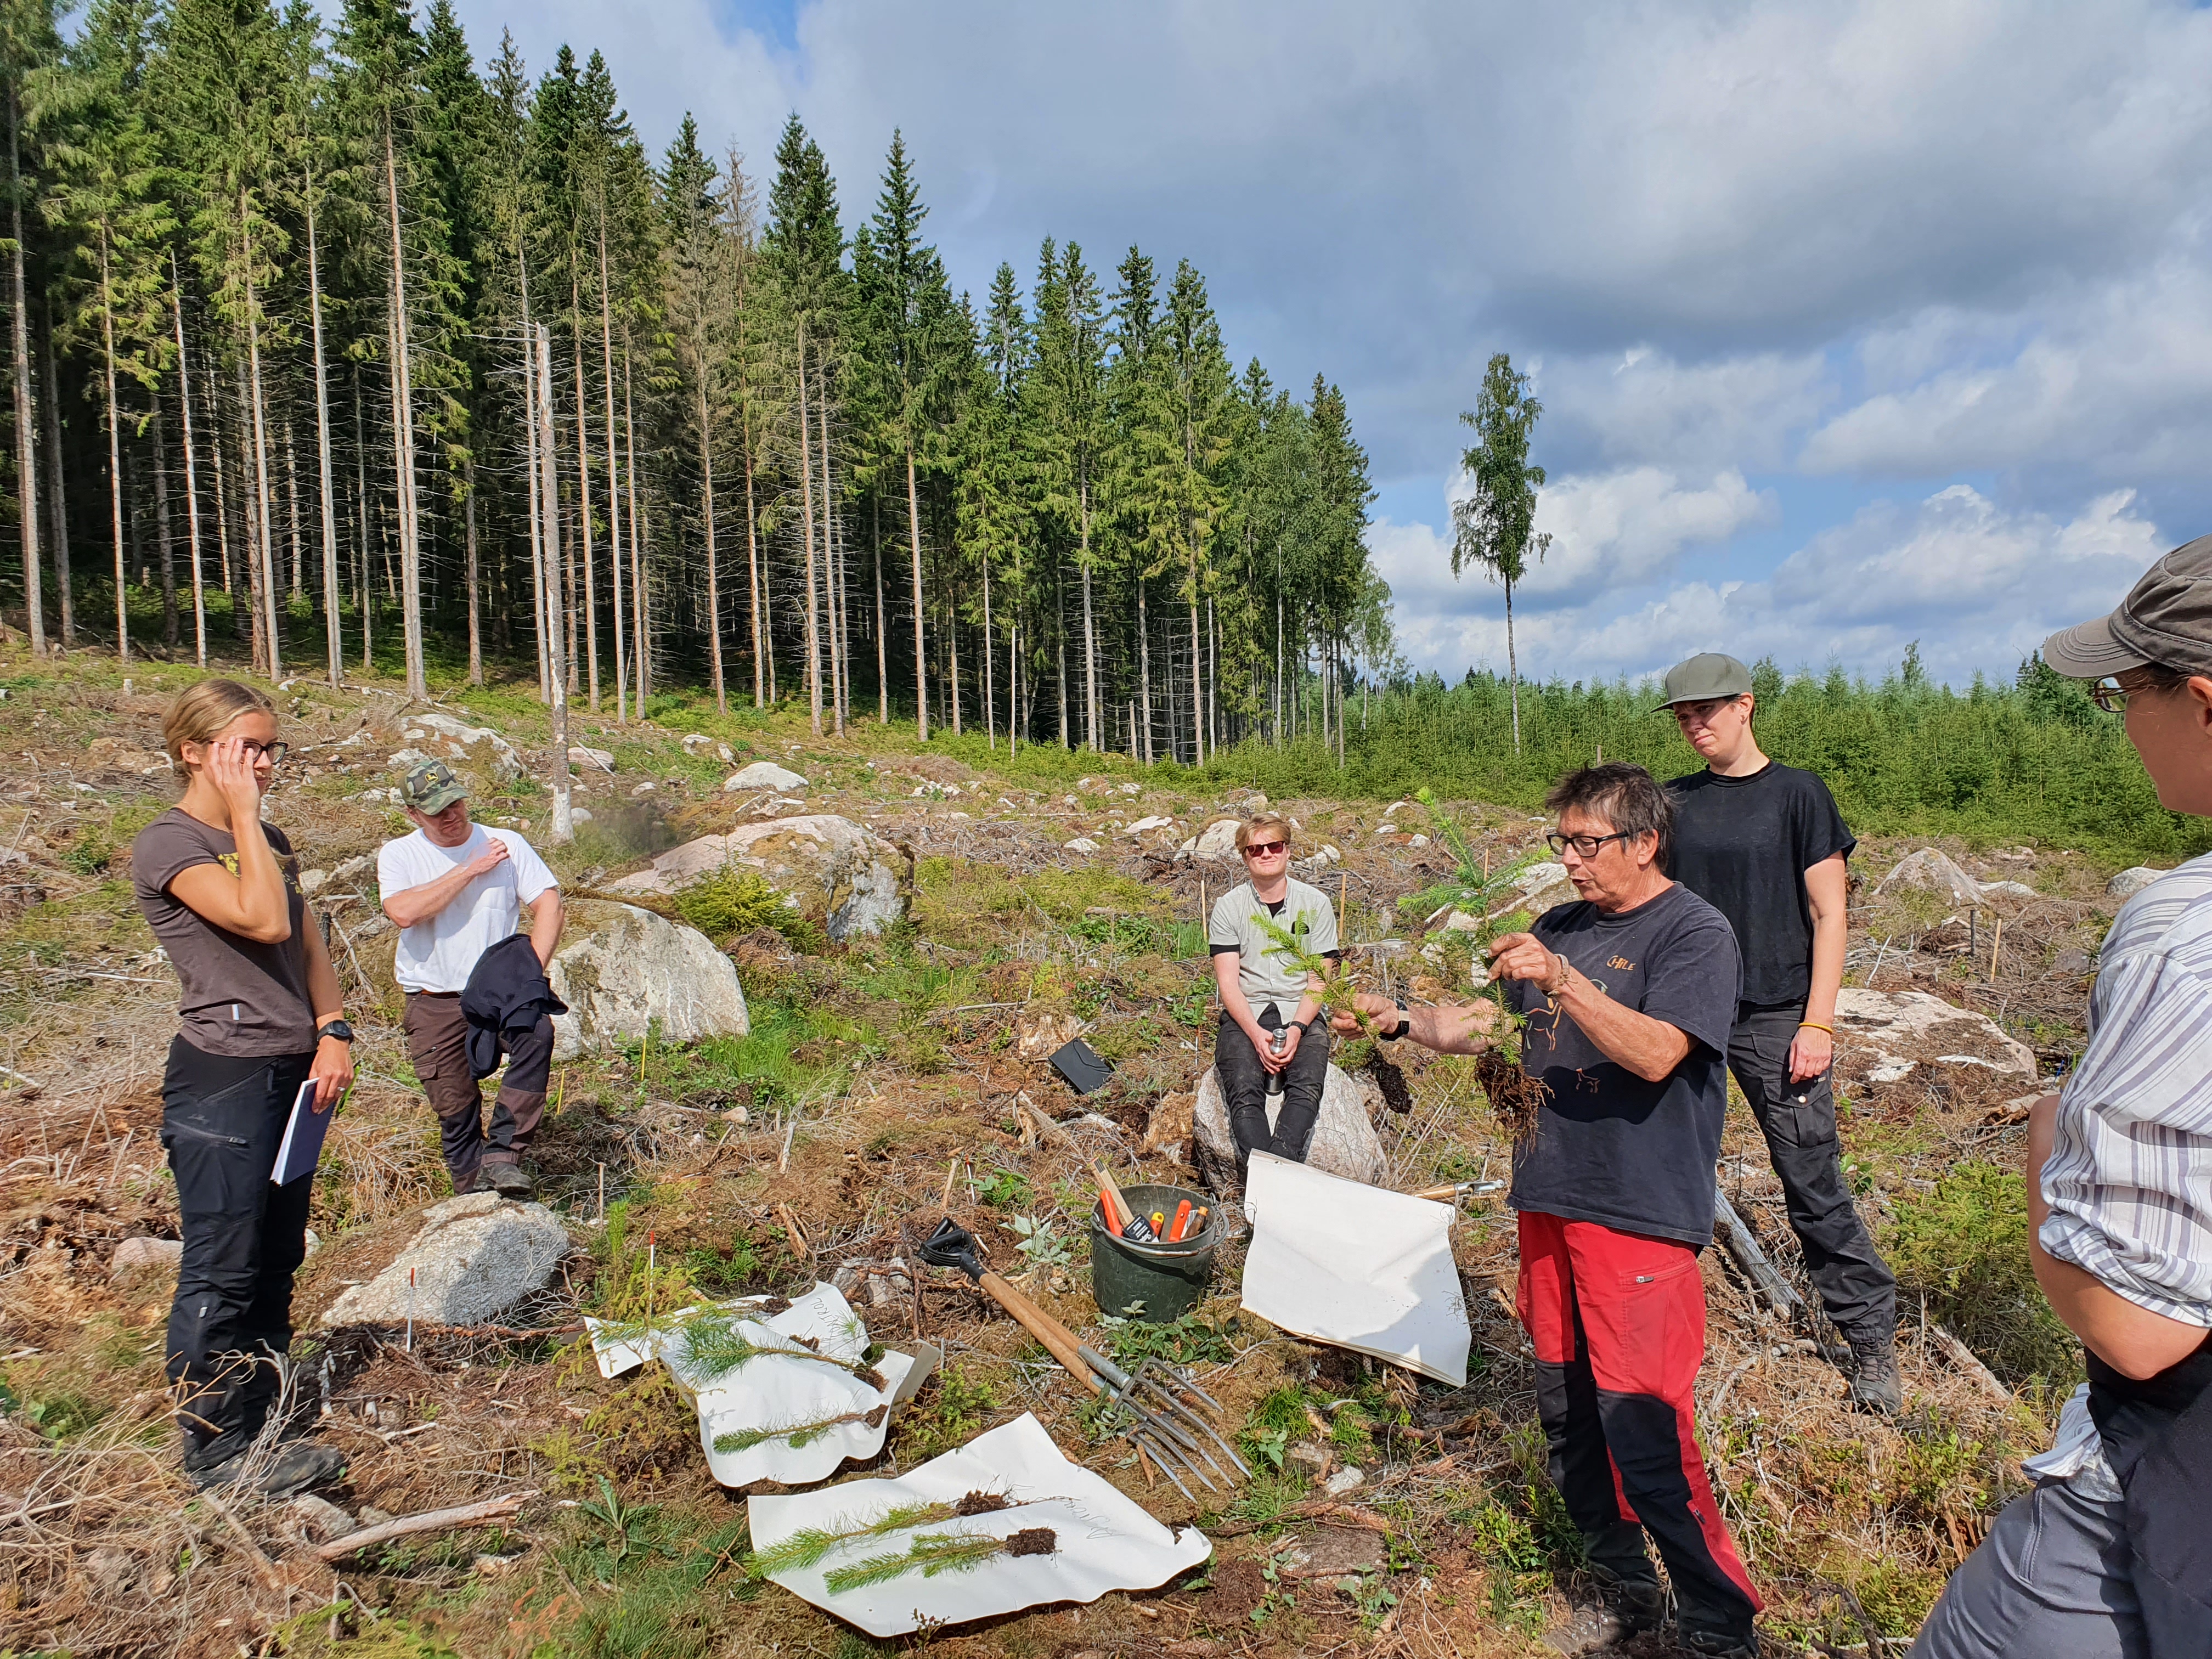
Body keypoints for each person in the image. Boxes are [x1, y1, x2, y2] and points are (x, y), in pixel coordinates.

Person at [1334, 764, 1762, 1658]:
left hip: (1636, 1209)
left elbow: (1655, 1053)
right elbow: (1486, 1026)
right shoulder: (1556, 925)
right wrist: (1399, 1019)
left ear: (1644, 842)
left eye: (1585, 842)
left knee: (1640, 1417)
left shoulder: (1694, 933)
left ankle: (1719, 1620)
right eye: (1559, 841)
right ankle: (1623, 1585)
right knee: (1566, 1404)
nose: (1568, 859)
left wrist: (1564, 980)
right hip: (1549, 1198)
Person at [1911, 535, 2212, 1659]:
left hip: (2153, 1504)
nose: (2119, 719)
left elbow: (2135, 1330)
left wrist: (2049, 1136)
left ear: (2203, 701)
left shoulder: (2185, 940)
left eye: (2120, 690)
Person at [1656, 652, 1901, 1412]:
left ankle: (1869, 1341)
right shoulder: (1671, 804)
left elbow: (1831, 915)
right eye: (1684, 715)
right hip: (1686, 1017)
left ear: (1746, 705)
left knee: (1812, 1182)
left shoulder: (1798, 795)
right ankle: (1662, 1336)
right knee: (1661, 1176)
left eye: (1709, 710)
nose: (1696, 724)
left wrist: (1817, 1021)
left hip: (1775, 1018)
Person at [132, 678, 354, 1495]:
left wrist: (331, 1029)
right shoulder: (169, 843)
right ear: (194, 752)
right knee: (222, 1264)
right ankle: (216, 1449)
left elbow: (301, 937)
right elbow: (257, 919)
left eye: (270, 749)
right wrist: (244, 819)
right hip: (222, 1079)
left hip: (292, 1073)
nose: (263, 764)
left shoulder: (270, 836)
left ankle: (261, 1413)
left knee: (276, 1253)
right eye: (246, 748)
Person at [379, 759, 564, 1199]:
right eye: (437, 811)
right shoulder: (400, 854)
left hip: (498, 993)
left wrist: (528, 974)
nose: (451, 816)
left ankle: (504, 1155)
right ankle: (472, 1196)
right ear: (413, 815)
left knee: (537, 1032)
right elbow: (404, 912)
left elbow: (550, 904)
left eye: (456, 803)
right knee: (454, 1107)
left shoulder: (508, 843)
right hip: (433, 998)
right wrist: (471, 869)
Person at [1209, 812, 1338, 1175]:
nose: (1266, 854)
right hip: (1246, 1010)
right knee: (1244, 1091)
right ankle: (1275, 1183)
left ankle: (1274, 1176)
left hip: (1300, 1009)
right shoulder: (1229, 907)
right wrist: (1255, 1034)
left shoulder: (1316, 904)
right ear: (1245, 856)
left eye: (1274, 846)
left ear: (1287, 851)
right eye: (1255, 849)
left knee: (1306, 1090)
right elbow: (1229, 984)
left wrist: (1297, 1029)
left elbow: (1319, 980)